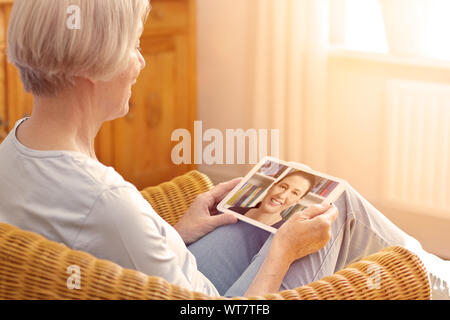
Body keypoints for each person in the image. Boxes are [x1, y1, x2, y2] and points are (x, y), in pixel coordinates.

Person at [0, 0, 448, 299]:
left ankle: (438, 275)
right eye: (133, 45)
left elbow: (111, 252)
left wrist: (175, 232)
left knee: (307, 198)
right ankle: (434, 278)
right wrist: (283, 252)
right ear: (90, 68)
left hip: (179, 280)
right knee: (332, 206)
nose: (140, 62)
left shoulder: (15, 149)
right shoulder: (106, 200)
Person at [229, 170, 317, 228]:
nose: (282, 195)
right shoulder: (232, 212)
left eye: (294, 193)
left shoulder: (283, 234)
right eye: (283, 187)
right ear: (272, 186)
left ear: (297, 201)